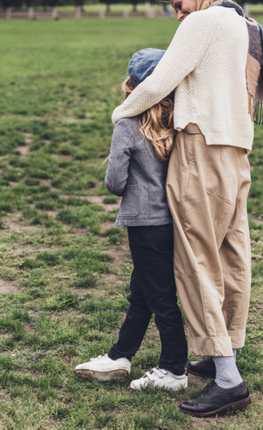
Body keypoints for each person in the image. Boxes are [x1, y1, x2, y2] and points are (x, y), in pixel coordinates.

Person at [111, 0, 263, 417]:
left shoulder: (202, 22)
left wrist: (119, 113)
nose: (178, 12)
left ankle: (227, 379)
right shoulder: (245, 25)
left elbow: (157, 82)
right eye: (174, 8)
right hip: (237, 152)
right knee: (231, 254)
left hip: (200, 149)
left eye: (180, 2)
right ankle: (223, 351)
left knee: (195, 258)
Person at [74, 48, 188, 391]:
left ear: (132, 86)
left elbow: (115, 183)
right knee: (142, 291)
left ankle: (174, 370)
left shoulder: (127, 125)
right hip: (173, 222)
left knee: (161, 297)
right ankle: (120, 354)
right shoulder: (179, 121)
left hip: (144, 223)